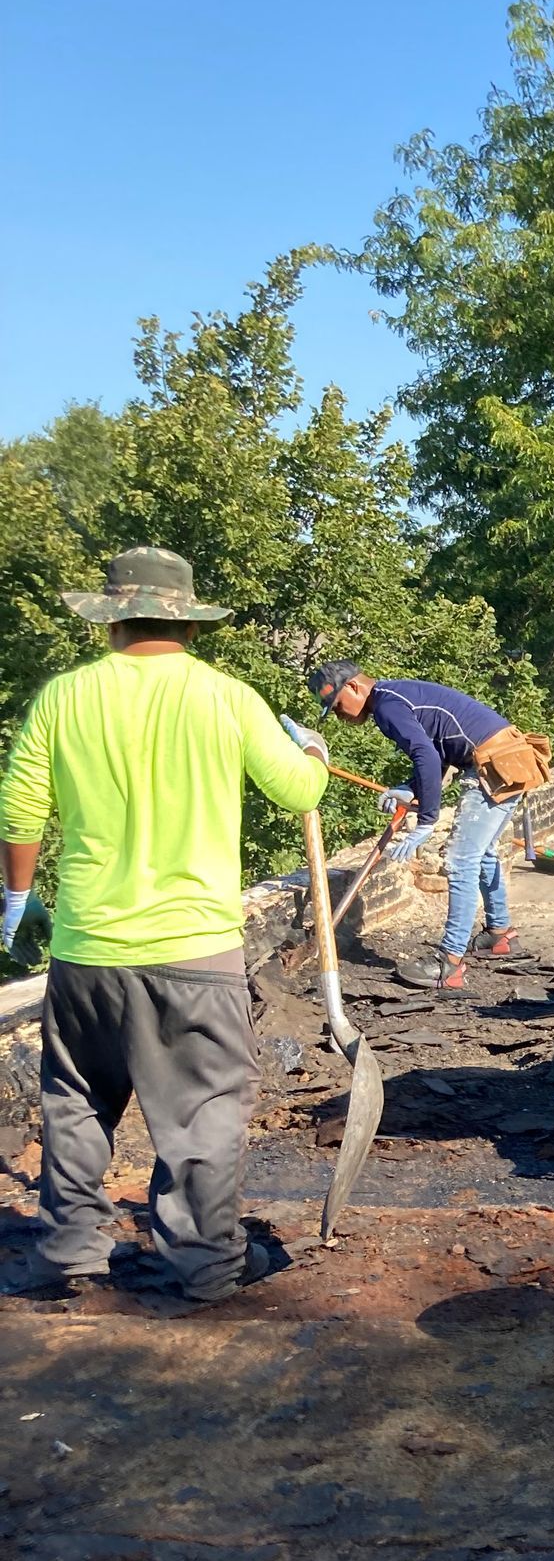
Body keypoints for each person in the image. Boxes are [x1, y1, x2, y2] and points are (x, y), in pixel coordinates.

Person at [0, 546, 329, 1303]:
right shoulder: (227, 698)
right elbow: (297, 788)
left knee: (76, 1103)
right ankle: (206, 1261)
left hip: (85, 951)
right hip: (193, 950)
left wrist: (16, 899)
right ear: (187, 619)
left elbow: (19, 809)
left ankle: (67, 1252)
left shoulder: (64, 697)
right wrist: (311, 751)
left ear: (111, 616)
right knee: (202, 1112)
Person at [307, 664, 550, 992]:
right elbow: (437, 750)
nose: (339, 715)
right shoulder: (396, 695)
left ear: (352, 687)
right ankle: (499, 935)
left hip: (494, 765)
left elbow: (427, 757)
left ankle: (449, 965)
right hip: (509, 757)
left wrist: (426, 821)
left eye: (337, 705)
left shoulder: (387, 706)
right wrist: (411, 788)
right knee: (483, 853)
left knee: (461, 861)